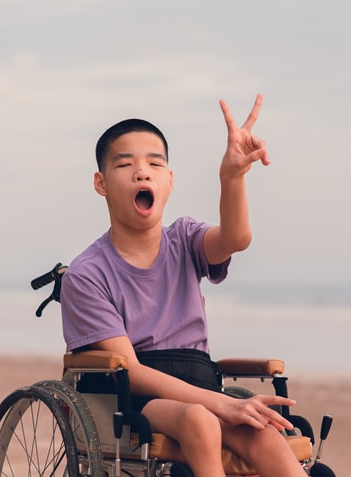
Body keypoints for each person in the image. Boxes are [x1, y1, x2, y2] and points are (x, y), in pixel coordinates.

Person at [60, 94, 307, 477]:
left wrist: (232, 177)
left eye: (155, 164)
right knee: (201, 419)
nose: (142, 173)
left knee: (263, 432)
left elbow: (235, 239)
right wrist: (220, 404)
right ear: (101, 183)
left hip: (199, 381)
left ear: (169, 181)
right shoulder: (87, 274)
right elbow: (134, 372)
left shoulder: (184, 239)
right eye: (125, 164)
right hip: (136, 396)